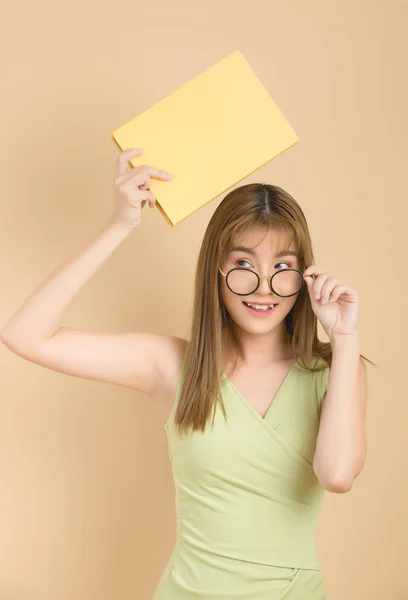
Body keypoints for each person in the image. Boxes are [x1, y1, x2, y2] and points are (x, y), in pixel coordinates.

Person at [1, 148, 371, 599]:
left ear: (304, 277)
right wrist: (121, 224)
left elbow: (337, 475)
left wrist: (347, 338)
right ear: (216, 270)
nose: (262, 287)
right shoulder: (173, 366)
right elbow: (25, 335)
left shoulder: (334, 371)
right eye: (242, 265)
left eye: (282, 268)